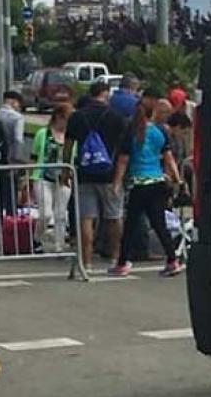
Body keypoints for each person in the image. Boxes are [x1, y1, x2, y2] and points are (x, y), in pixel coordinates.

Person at [111, 89, 184, 277]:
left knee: (131, 225)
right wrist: (177, 179)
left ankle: (123, 262)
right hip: (157, 181)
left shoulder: (131, 132)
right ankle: (172, 259)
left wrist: (117, 183)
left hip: (138, 182)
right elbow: (168, 158)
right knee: (159, 223)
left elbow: (123, 160)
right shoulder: (159, 132)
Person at [66, 81, 129, 271]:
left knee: (86, 218)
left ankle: (86, 262)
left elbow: (68, 147)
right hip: (110, 175)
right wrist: (118, 180)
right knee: (114, 217)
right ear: (106, 94)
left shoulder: (76, 117)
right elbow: (124, 153)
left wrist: (65, 170)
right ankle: (115, 257)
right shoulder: (117, 117)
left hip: (84, 173)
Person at [30, 102, 74, 250]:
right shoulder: (43, 134)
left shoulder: (72, 136)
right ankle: (36, 238)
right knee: (45, 213)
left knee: (61, 213)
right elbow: (34, 156)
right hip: (43, 177)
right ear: (58, 117)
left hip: (64, 177)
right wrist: (27, 178)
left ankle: (59, 244)